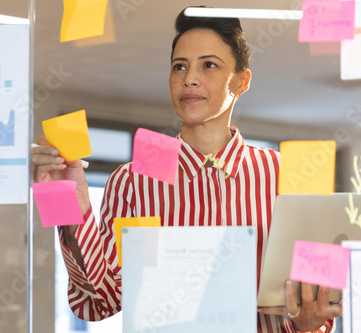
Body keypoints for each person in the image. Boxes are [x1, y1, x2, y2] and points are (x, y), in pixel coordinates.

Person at [32, 8, 341, 333]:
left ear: (241, 81)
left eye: (209, 65)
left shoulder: (285, 176)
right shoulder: (134, 180)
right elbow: (101, 300)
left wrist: (309, 324)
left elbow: (318, 306)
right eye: (179, 66)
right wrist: (72, 205)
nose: (189, 78)